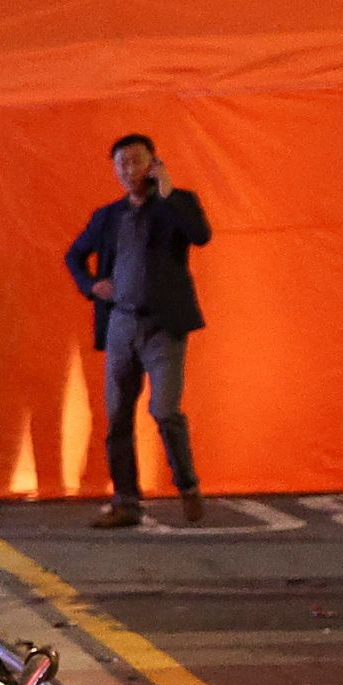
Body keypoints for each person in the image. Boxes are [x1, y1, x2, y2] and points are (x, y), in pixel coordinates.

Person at [59, 131, 214, 527]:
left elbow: (201, 235)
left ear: (154, 163)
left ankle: (187, 483)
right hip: (121, 323)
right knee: (117, 416)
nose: (130, 169)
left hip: (165, 325)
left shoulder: (175, 205)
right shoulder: (108, 216)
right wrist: (91, 285)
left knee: (164, 409)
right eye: (122, 163)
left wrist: (169, 191)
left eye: (137, 161)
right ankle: (126, 500)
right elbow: (74, 255)